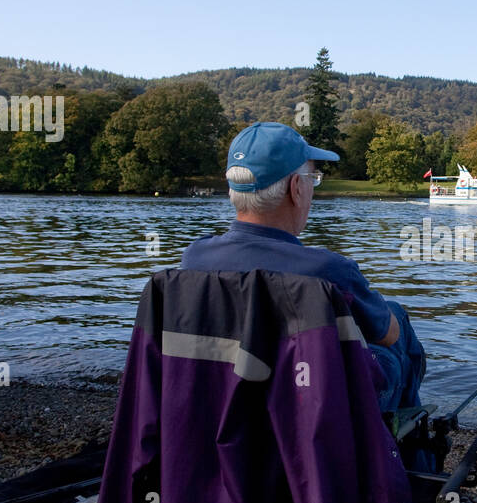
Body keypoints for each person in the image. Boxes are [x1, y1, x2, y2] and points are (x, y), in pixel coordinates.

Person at [180, 121, 425, 414]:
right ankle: (405, 432)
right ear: (296, 188)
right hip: (311, 406)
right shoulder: (329, 270)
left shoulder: (194, 258)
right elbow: (388, 335)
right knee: (397, 320)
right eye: (313, 178)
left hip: (231, 399)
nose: (312, 189)